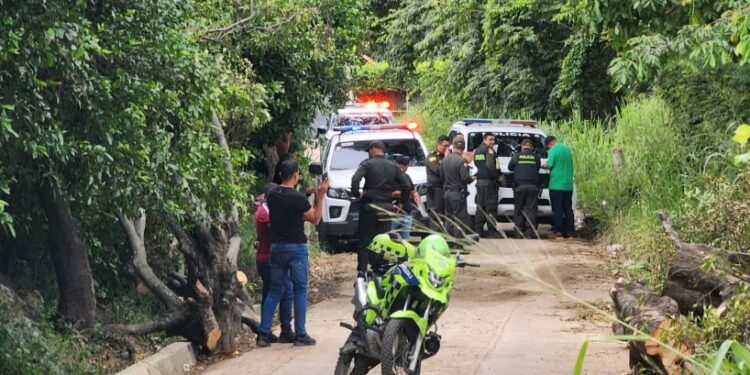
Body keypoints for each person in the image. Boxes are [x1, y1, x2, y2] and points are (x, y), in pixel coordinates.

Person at [256, 160, 329, 347]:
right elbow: (315, 218)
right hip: (295, 247)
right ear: (296, 175)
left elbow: (286, 200)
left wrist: (306, 194)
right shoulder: (298, 199)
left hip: (276, 248)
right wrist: (320, 196)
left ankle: (263, 334)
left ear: (281, 175)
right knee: (300, 290)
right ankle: (301, 334)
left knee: (275, 289)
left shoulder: (272, 196)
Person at [351, 140, 411, 273]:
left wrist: (357, 194)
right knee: (383, 240)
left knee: (365, 239)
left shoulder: (367, 164)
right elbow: (406, 185)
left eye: (368, 151)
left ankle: (362, 270)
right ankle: (381, 268)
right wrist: (401, 202)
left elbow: (355, 180)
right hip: (387, 208)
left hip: (370, 207)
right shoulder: (393, 166)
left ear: (373, 149)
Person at [253, 184, 294, 344]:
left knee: (271, 293)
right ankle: (271, 331)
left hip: (268, 257)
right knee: (283, 291)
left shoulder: (264, 209)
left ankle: (270, 330)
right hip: (270, 259)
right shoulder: (265, 213)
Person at [508, 139, 541, 238]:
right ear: (531, 147)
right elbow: (538, 168)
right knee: (531, 210)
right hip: (533, 187)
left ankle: (519, 232)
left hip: (520, 187)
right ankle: (530, 233)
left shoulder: (516, 156)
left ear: (522, 146)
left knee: (519, 209)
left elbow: (510, 168)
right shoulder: (536, 157)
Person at [542, 136, 574, 239]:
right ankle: (569, 231)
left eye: (547, 147)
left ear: (550, 143)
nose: (548, 149)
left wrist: (542, 166)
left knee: (557, 209)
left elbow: (549, 165)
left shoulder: (553, 150)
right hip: (568, 185)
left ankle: (558, 231)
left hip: (557, 184)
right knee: (567, 209)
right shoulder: (567, 149)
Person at [442, 137, 474, 238]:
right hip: (457, 194)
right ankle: (458, 243)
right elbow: (465, 178)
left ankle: (449, 242)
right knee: (460, 219)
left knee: (449, 218)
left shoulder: (445, 159)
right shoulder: (462, 161)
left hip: (447, 193)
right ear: (463, 147)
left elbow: (441, 175)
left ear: (453, 146)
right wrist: (471, 178)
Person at [473, 133, 500, 237]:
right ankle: (492, 231)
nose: (492, 142)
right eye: (490, 140)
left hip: (480, 182)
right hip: (489, 182)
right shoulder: (489, 150)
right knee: (491, 207)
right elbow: (490, 165)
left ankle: (478, 230)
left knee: (481, 207)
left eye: (493, 140)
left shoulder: (477, 150)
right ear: (484, 140)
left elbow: (477, 164)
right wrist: (496, 176)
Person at [391, 155, 419, 240]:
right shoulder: (390, 178)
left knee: (405, 239)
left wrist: (415, 195)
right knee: (390, 238)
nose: (404, 168)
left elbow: (412, 190)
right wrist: (396, 194)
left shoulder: (406, 177)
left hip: (407, 213)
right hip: (394, 213)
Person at [425, 135, 450, 228]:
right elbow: (438, 170)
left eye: (448, 146)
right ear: (438, 144)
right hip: (435, 190)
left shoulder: (446, 156)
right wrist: (446, 159)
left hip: (445, 188)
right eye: (444, 145)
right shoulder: (432, 156)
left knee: (445, 214)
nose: (446, 148)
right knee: (435, 214)